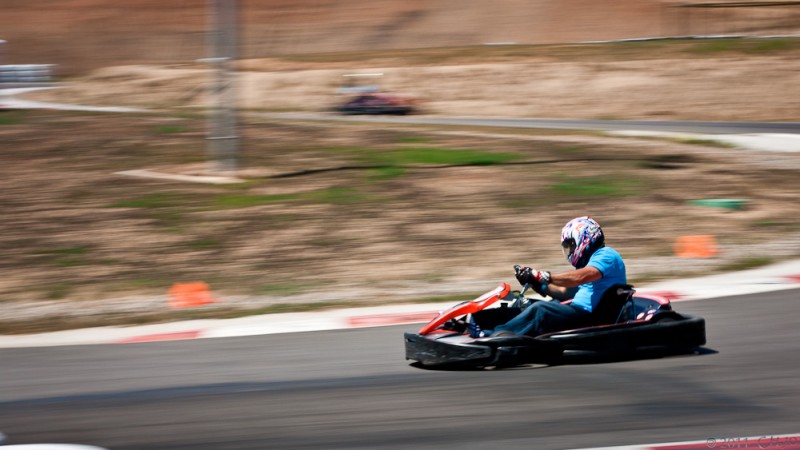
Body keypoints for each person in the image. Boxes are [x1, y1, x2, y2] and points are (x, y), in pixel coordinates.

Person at [488, 216, 627, 337]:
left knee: (540, 310)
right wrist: (536, 281)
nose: (570, 250)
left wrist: (545, 276)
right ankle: (486, 326)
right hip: (580, 312)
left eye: (571, 245)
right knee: (530, 305)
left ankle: (494, 336)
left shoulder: (606, 255)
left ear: (585, 238)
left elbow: (581, 277)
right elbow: (564, 293)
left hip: (591, 318)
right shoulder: (588, 265)